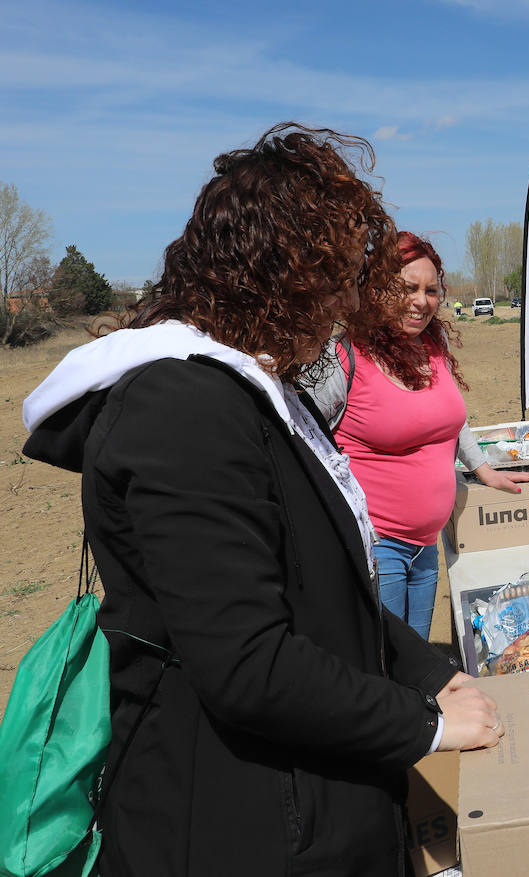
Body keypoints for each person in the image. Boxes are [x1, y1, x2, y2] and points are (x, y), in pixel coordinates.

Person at [22, 123, 502, 877]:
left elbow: (322, 590)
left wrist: (421, 668)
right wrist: (426, 723)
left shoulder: (257, 385)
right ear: (281, 273)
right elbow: (248, 663)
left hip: (299, 798)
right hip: (239, 822)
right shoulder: (181, 408)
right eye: (337, 276)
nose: (347, 300)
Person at [305, 230, 529, 639]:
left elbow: (451, 418)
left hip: (426, 545)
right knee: (386, 662)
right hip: (375, 545)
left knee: (416, 656)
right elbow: (302, 438)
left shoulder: (433, 345)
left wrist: (484, 470)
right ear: (376, 290)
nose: (421, 301)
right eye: (407, 288)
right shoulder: (342, 357)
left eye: (431, 290)